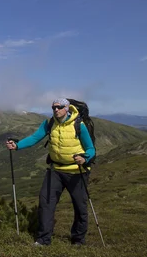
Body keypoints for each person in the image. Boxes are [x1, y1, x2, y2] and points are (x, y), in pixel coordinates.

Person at [6, 98, 95, 247]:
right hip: (55, 170)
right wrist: (17, 146)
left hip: (77, 171)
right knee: (46, 203)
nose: (56, 110)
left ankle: (78, 239)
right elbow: (35, 137)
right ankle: (43, 239)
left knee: (80, 206)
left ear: (67, 108)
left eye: (59, 107)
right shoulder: (49, 123)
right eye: (53, 107)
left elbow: (91, 149)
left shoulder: (79, 125)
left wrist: (85, 158)